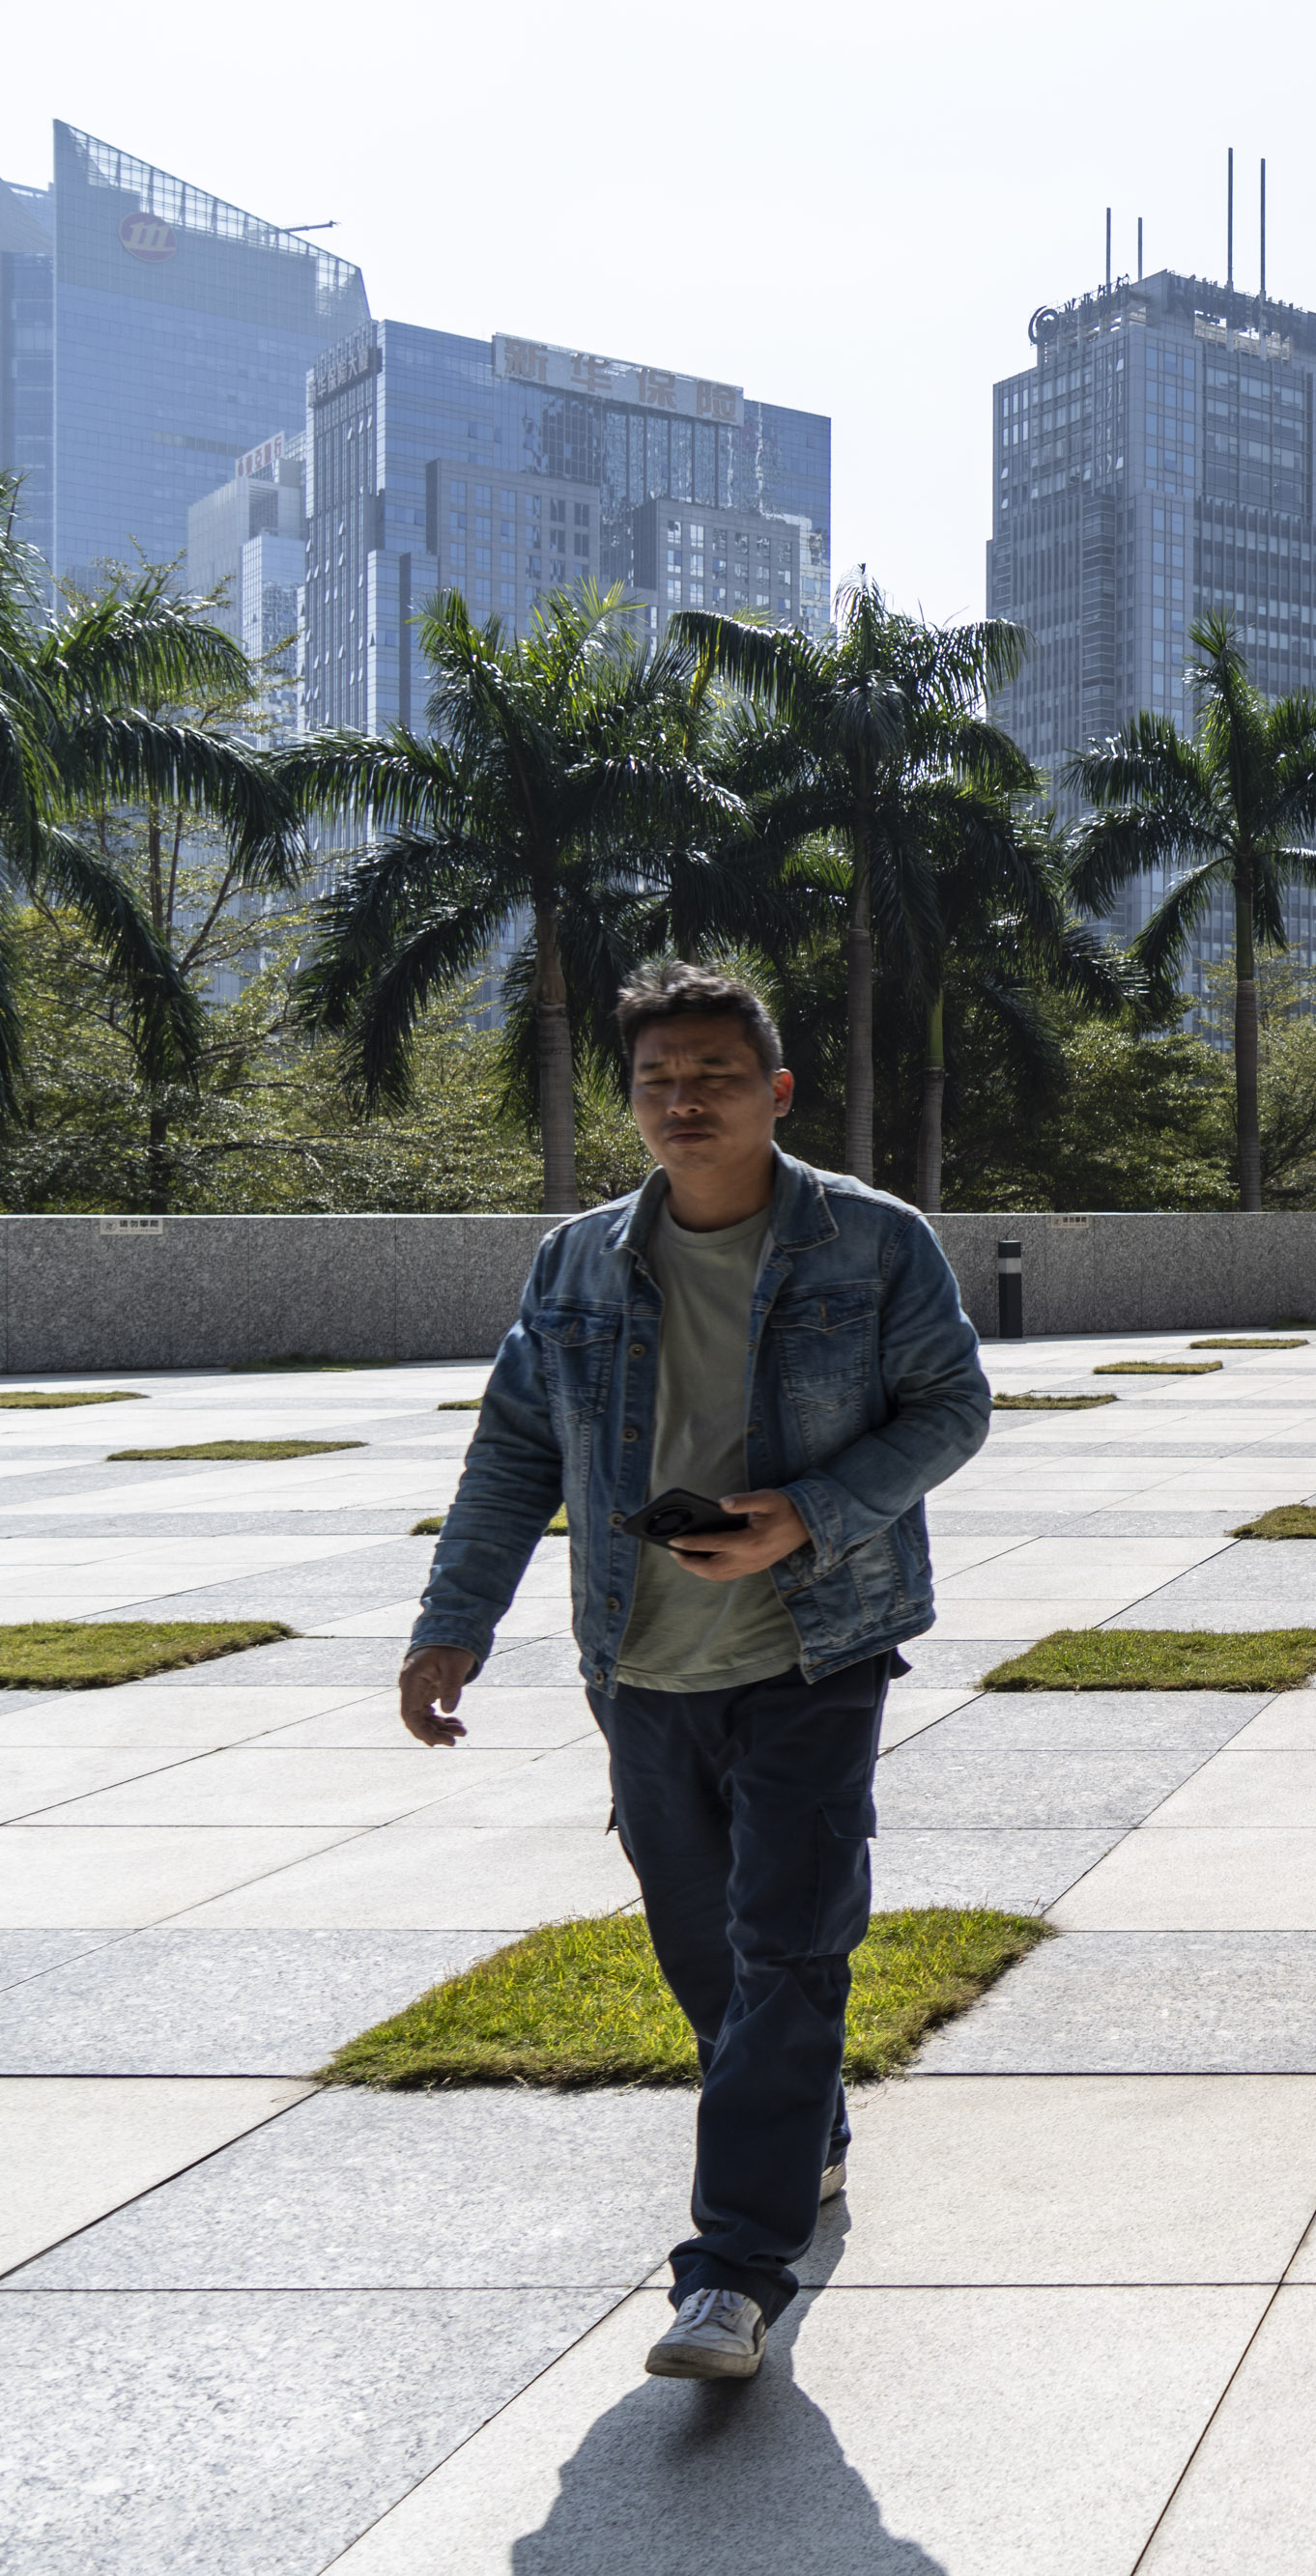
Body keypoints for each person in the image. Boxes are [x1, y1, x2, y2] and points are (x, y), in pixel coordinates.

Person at [398, 963, 990, 2382]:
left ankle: (733, 2271)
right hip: (641, 1661)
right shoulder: (575, 1260)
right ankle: (807, 2129)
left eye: (716, 1073)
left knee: (789, 1939)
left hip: (815, 1644)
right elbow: (514, 1454)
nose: (685, 1099)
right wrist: (452, 1622)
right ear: (633, 1099)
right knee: (706, 1952)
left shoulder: (872, 1241)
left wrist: (812, 1510)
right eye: (660, 1077)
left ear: (776, 1091)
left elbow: (952, 1405)